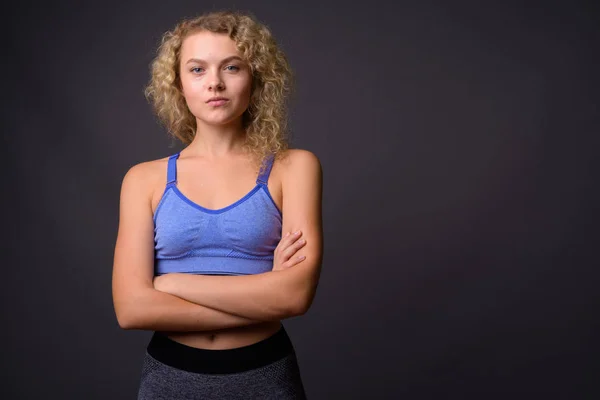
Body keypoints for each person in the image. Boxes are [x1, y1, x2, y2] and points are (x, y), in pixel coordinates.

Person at [111, 10, 323, 400]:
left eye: (232, 67)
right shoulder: (143, 179)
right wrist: (262, 296)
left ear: (255, 78)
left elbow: (293, 297)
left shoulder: (295, 168)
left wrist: (172, 284)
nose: (215, 83)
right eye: (197, 69)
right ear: (177, 84)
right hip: (169, 378)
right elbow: (131, 309)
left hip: (266, 375)